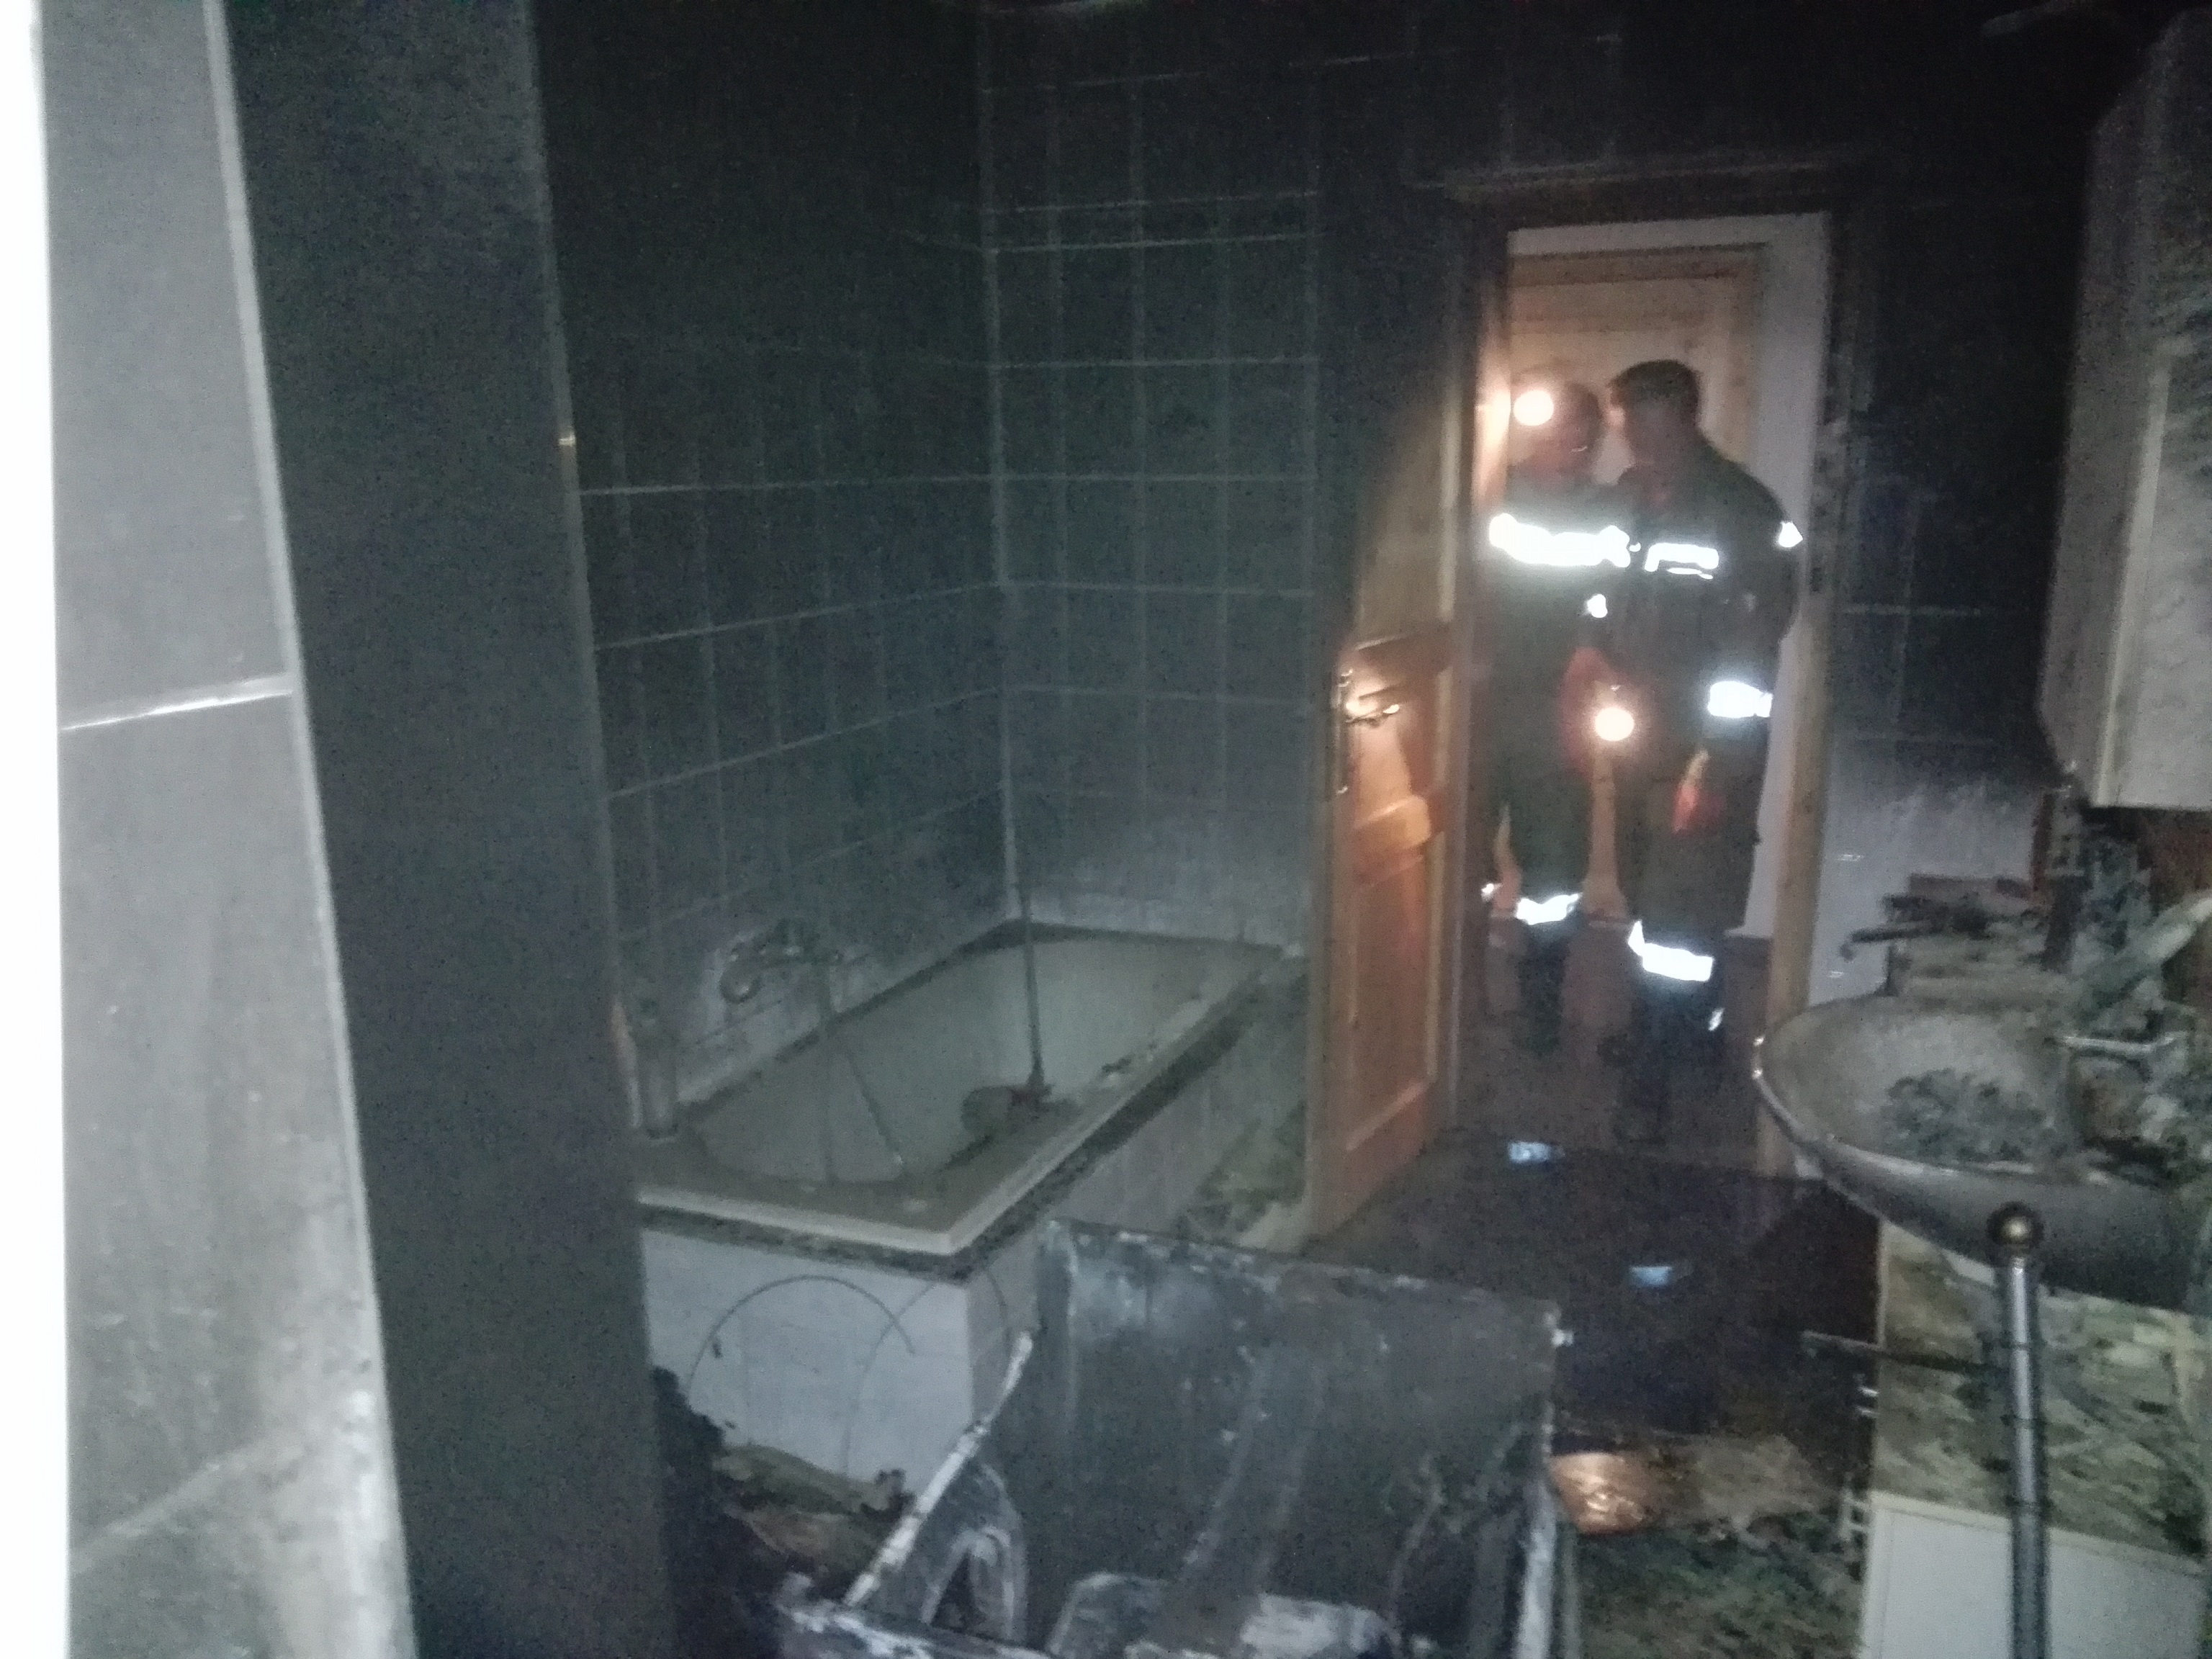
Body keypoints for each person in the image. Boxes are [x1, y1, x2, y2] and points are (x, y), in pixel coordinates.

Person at [1602, 359, 1799, 1141]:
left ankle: (1650, 1084)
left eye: (1653, 429)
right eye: (1631, 431)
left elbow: (1750, 662)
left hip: (1703, 751)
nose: (1641, 447)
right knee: (1651, 902)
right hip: (1640, 741)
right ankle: (1697, 1034)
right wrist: (1589, 654)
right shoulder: (1632, 499)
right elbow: (1609, 597)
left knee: (1678, 919)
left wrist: (1713, 766)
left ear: (1689, 418)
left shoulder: (1742, 511)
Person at [1485, 382, 1625, 1053]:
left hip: (1557, 708)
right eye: (1557, 432)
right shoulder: (1489, 494)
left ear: (1594, 441)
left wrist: (1591, 645)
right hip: (1479, 703)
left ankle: (1541, 1003)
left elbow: (1615, 592)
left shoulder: (1607, 511)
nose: (1569, 447)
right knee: (1460, 854)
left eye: (1581, 437)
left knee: (1555, 865)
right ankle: (1452, 996)